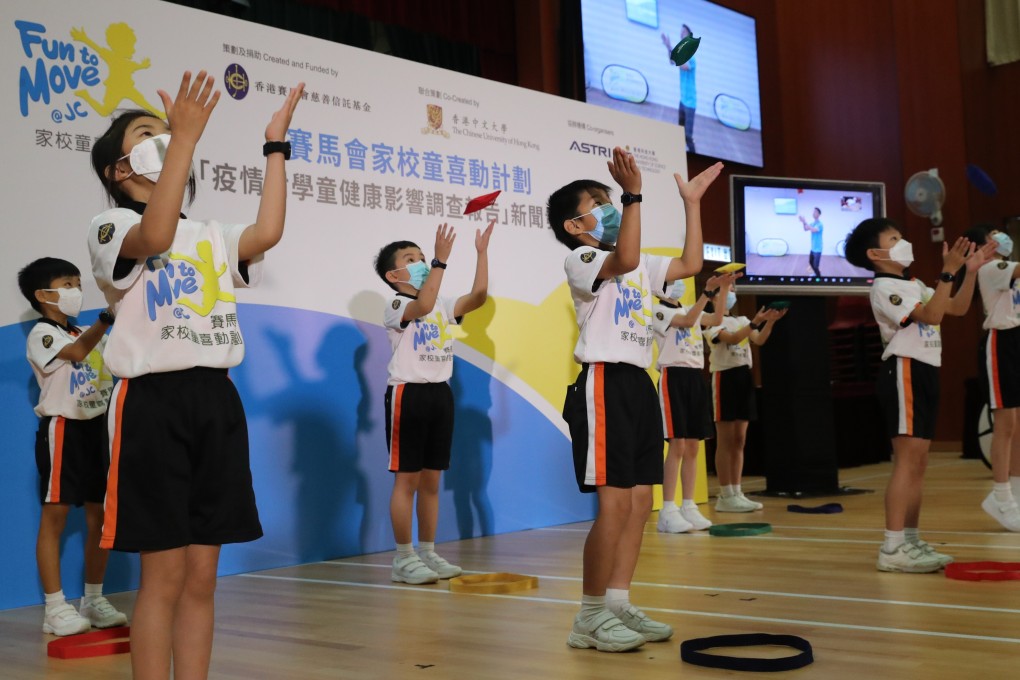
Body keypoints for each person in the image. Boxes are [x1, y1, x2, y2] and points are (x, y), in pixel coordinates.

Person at [86, 70, 304, 678]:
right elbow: (153, 232)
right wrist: (182, 137)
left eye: (167, 132)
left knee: (203, 576)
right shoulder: (109, 227)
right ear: (118, 170)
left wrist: (275, 146)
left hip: (216, 397)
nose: (164, 138)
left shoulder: (210, 234)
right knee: (164, 575)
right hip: (151, 402)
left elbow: (269, 231)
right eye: (147, 135)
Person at [550, 145, 723, 652]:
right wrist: (631, 195)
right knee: (614, 504)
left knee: (640, 501)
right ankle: (589, 615)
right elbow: (623, 255)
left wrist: (690, 202)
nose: (610, 208)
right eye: (599, 204)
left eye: (611, 201)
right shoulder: (581, 258)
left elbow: (691, 263)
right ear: (575, 225)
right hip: (602, 382)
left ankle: (618, 602)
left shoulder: (642, 265)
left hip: (638, 384)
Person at [845, 218, 993, 572]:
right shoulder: (884, 287)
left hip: (925, 370)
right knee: (907, 462)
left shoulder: (912, 283)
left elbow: (954, 308)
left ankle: (910, 541)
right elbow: (931, 314)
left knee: (920, 464)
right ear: (875, 252)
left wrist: (968, 272)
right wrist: (946, 273)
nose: (904, 242)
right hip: (904, 371)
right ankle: (892, 548)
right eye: (894, 238)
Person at [374, 220, 494, 585]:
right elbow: (423, 303)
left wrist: (481, 253)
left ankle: (427, 551)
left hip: (440, 394)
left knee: (431, 481)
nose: (423, 261)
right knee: (406, 481)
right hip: (408, 394)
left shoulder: (441, 303)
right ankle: (403, 557)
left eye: (423, 257)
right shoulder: (397, 303)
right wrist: (440, 262)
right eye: (412, 259)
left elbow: (478, 297)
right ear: (394, 274)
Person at [17, 258, 126, 636]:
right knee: (55, 519)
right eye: (67, 283)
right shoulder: (42, 334)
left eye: (78, 282)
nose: (75, 290)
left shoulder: (86, 330)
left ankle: (93, 600)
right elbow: (78, 354)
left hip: (99, 432)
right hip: (63, 430)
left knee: (100, 519)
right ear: (43, 294)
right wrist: (107, 319)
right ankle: (54, 608)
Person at [652, 271, 738, 532]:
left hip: (693, 377)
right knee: (677, 445)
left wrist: (722, 290)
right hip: (673, 377)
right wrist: (708, 293)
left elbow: (717, 318)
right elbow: (689, 321)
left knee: (692, 446)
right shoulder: (657, 311)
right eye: (671, 281)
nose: (677, 285)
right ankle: (668, 509)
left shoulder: (693, 307)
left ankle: (688, 505)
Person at [704, 291, 786, 512]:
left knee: (739, 439)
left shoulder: (741, 321)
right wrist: (756, 321)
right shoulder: (711, 322)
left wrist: (769, 322)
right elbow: (732, 338)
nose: (730, 295)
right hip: (724, 378)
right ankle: (725, 493)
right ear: (713, 298)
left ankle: (737, 490)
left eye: (732, 291)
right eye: (724, 292)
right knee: (725, 438)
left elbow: (759, 339)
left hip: (743, 377)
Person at [964, 225, 1020, 531]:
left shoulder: (1003, 268)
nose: (1000, 238)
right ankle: (1001, 497)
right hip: (1000, 344)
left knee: (1018, 426)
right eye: (993, 236)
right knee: (1005, 425)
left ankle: (1016, 496)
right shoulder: (992, 268)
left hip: (1015, 339)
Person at [661, 25, 697, 153]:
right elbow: (673, 61)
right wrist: (668, 46)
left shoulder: (691, 56)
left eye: (684, 31)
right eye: (681, 31)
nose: (681, 33)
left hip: (690, 103)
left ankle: (694, 156)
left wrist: (671, 47)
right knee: (680, 132)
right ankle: (680, 155)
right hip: (683, 101)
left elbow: (684, 66)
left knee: (688, 136)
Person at [800, 207, 824, 277]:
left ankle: (819, 277)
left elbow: (814, 230)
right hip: (813, 248)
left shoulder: (820, 224)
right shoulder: (812, 223)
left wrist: (805, 222)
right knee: (811, 262)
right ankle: (816, 274)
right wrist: (803, 222)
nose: (813, 213)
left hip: (818, 249)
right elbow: (805, 229)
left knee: (816, 266)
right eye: (813, 212)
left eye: (815, 212)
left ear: (819, 214)